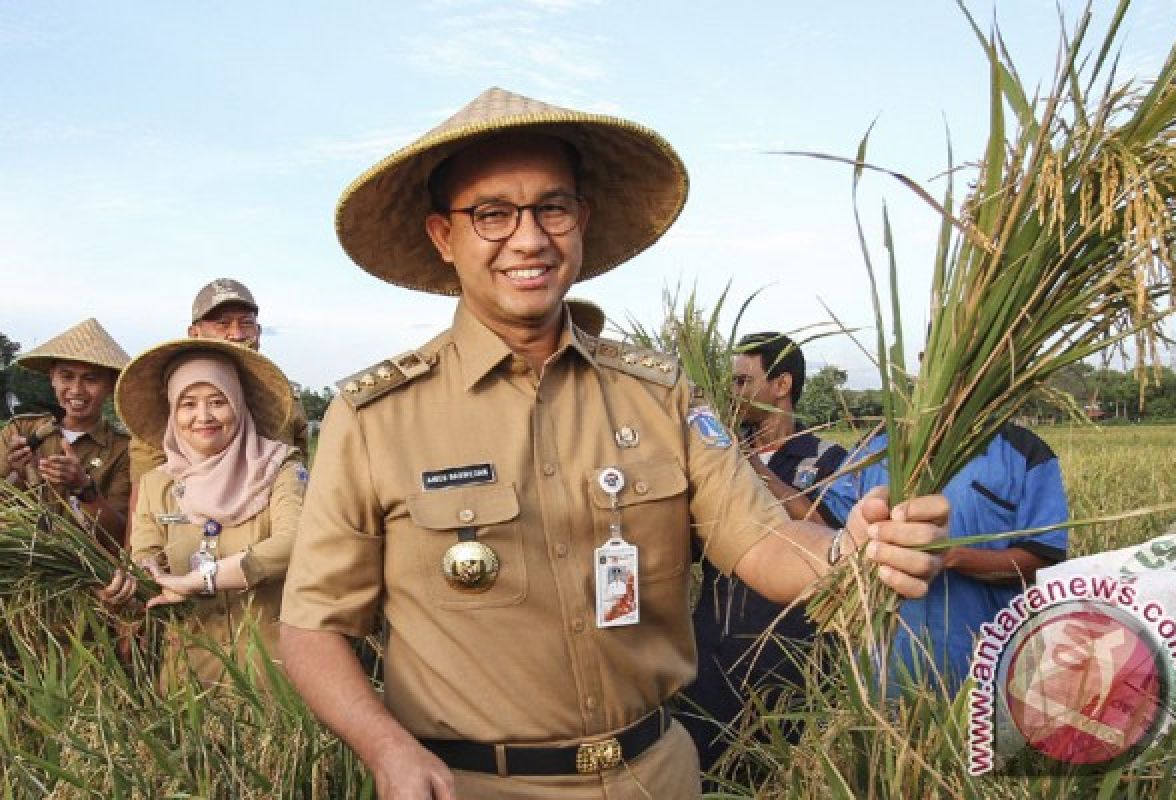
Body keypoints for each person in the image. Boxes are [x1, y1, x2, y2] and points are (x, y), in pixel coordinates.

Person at [278, 87, 946, 800]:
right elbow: (312, 629)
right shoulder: (376, 415)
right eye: (493, 215)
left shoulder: (658, 392)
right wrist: (386, 750)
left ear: (582, 220)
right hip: (472, 786)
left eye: (552, 208)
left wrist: (851, 552)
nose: (529, 238)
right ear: (446, 237)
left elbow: (759, 541)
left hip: (654, 774)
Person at [681, 332, 848, 775]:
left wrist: (753, 471)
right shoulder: (713, 456)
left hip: (792, 657)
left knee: (779, 773)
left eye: (742, 381)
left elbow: (833, 538)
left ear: (782, 385)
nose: (733, 393)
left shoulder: (827, 458)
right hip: (713, 653)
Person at [100, 338, 304, 686]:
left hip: (272, 674)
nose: (203, 417)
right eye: (188, 404)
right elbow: (145, 553)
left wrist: (203, 579)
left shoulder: (281, 468)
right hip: (188, 679)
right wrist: (139, 578)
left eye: (217, 402)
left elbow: (294, 542)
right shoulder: (156, 485)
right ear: (173, 413)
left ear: (238, 405)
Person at [822, 424, 1069, 694]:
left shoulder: (1023, 451)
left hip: (982, 672)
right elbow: (828, 531)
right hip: (878, 672)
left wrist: (950, 555)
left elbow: (1043, 559)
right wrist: (770, 486)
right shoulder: (875, 447)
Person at [126, 278, 310, 505]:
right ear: (194, 333)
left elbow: (301, 478)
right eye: (223, 324)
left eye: (246, 323)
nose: (237, 334)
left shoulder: (283, 399)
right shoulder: (164, 405)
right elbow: (143, 500)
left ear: (259, 331)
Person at [1, 318, 131, 544]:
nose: (76, 390)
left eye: (90, 379)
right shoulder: (20, 431)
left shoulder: (124, 450)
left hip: (86, 573)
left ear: (110, 385)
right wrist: (17, 473)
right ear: (52, 377)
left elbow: (121, 534)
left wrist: (84, 487)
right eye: (67, 376)